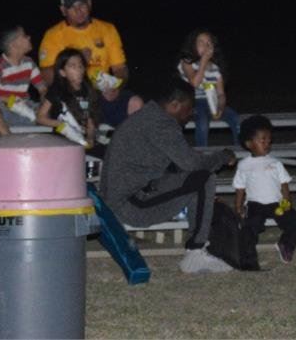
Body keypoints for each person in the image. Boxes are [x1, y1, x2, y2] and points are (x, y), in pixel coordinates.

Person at [99, 77, 237, 274]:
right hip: (129, 204)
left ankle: (198, 248)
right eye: (189, 109)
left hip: (129, 197)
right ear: (174, 105)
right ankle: (195, 254)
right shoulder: (161, 124)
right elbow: (193, 164)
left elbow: (179, 163)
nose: (191, 115)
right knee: (203, 178)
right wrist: (223, 156)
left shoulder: (149, 117)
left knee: (192, 177)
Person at [39, 0, 143, 128]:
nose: (78, 10)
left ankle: (127, 147)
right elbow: (46, 77)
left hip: (102, 93)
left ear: (90, 3)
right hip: (72, 95)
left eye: (82, 4)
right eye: (72, 7)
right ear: (63, 10)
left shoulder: (107, 29)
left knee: (135, 103)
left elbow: (120, 68)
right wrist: (78, 60)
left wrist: (116, 87)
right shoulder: (53, 35)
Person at [233, 114, 296, 268]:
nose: (267, 144)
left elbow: (284, 183)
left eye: (269, 140)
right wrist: (238, 207)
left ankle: (285, 244)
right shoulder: (244, 165)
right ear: (249, 143)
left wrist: (287, 201)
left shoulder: (275, 163)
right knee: (249, 228)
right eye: (262, 140)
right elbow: (240, 187)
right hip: (254, 204)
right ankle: (247, 259)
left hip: (276, 203)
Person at [0, 25, 48, 135]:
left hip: (25, 108)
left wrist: (45, 99)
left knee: (51, 103)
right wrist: (4, 99)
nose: (29, 37)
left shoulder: (29, 63)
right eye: (24, 36)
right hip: (4, 112)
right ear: (13, 44)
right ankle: (7, 140)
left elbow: (42, 88)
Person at [36, 47, 105, 156]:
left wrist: (90, 138)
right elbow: (40, 118)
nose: (79, 69)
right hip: (63, 141)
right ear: (63, 72)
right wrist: (61, 124)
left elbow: (91, 120)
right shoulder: (57, 91)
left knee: (108, 153)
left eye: (80, 65)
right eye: (73, 66)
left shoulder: (89, 90)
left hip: (83, 140)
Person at [177, 29, 241, 147]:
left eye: (208, 43)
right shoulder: (187, 62)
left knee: (236, 119)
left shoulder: (215, 69)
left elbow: (221, 94)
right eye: (201, 42)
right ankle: (202, 155)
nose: (205, 46)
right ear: (193, 45)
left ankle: (239, 151)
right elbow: (195, 83)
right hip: (193, 103)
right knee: (202, 122)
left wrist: (220, 107)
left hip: (212, 103)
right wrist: (204, 61)